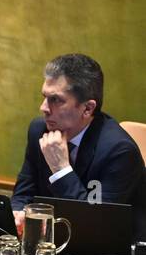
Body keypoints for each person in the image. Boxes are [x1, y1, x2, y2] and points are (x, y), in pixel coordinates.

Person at [11, 53, 146, 240]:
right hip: (54, 243)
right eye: (44, 97)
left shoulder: (119, 151)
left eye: (55, 100)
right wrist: (17, 213)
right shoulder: (39, 130)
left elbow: (94, 222)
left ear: (87, 108)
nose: (43, 107)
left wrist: (61, 169)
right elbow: (24, 192)